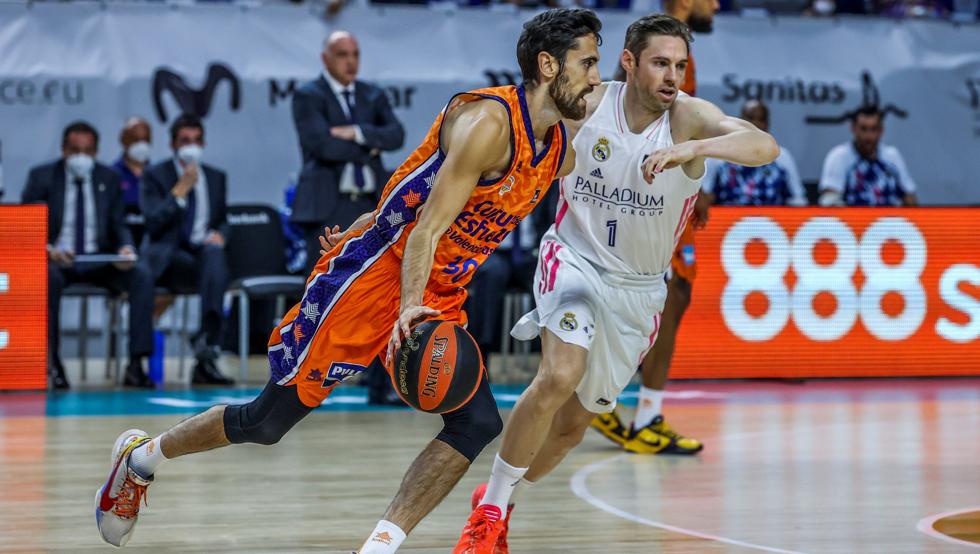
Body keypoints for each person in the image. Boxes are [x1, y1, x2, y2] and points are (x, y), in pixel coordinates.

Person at [93, 9, 602, 552]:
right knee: (267, 423)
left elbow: (417, 184)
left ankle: (378, 547)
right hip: (378, 276)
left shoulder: (559, 148)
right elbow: (427, 228)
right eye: (587, 64)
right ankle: (140, 459)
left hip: (439, 288)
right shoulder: (490, 124)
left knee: (476, 423)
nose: (596, 78)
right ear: (548, 65)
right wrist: (409, 305)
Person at [455, 15, 778, 552]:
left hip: (638, 289)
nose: (671, 76)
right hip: (574, 258)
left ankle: (501, 496)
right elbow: (508, 130)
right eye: (660, 63)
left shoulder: (688, 118)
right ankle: (488, 517)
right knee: (560, 374)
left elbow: (764, 146)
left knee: (571, 429)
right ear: (629, 62)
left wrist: (695, 151)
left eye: (679, 65)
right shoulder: (585, 105)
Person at [591, 0, 720, 456]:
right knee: (670, 293)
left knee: (660, 295)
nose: (716, 5)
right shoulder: (659, 51)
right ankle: (634, 411)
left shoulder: (671, 49)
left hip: (663, 184)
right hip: (654, 192)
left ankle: (605, 400)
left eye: (677, 67)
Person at [22, 121, 156, 389]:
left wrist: (126, 249)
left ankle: (136, 364)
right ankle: (53, 363)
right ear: (63, 150)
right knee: (46, 279)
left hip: (99, 259)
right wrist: (48, 250)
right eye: (75, 150)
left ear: (96, 152)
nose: (81, 156)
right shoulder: (42, 177)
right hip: (60, 260)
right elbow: (27, 227)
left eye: (88, 150)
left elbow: (119, 224)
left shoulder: (109, 178)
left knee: (141, 276)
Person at [290, 30, 406, 276]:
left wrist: (356, 132)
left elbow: (396, 136)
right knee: (325, 278)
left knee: (371, 278)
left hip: (371, 203)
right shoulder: (308, 95)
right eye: (343, 55)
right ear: (326, 58)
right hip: (328, 204)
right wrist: (372, 146)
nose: (351, 61)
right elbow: (324, 146)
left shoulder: (372, 94)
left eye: (355, 54)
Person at [140, 114, 234, 386]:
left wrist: (221, 235)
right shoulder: (156, 175)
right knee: (213, 266)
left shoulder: (216, 177)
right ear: (173, 144)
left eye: (196, 140)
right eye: (185, 140)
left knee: (215, 254)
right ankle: (205, 348)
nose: (191, 146)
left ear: (203, 143)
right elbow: (153, 222)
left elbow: (223, 219)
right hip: (170, 261)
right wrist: (180, 190)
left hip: (203, 257)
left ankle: (207, 345)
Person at [704, 99, 806, 206]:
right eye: (750, 118)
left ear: (767, 124)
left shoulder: (781, 156)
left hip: (772, 215)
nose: (755, 124)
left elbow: (797, 198)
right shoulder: (718, 154)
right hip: (727, 215)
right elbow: (705, 196)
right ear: (739, 121)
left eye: (761, 119)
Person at [818, 105, 918, 207]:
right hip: (852, 216)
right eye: (863, 129)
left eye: (874, 129)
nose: (868, 136)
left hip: (890, 216)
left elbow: (909, 196)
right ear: (853, 128)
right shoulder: (839, 156)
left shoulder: (892, 156)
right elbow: (830, 200)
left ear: (881, 130)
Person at [111, 117, 153, 225]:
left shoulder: (156, 174)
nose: (141, 145)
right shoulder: (113, 174)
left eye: (145, 140)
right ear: (123, 140)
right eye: (135, 140)